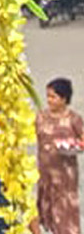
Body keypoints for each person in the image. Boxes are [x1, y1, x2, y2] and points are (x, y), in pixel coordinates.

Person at [36, 78, 84, 234]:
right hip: (45, 174)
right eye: (48, 96)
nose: (49, 100)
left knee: (64, 214)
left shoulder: (73, 119)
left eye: (53, 97)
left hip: (65, 178)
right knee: (45, 209)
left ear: (64, 99)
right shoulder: (41, 117)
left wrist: (72, 145)